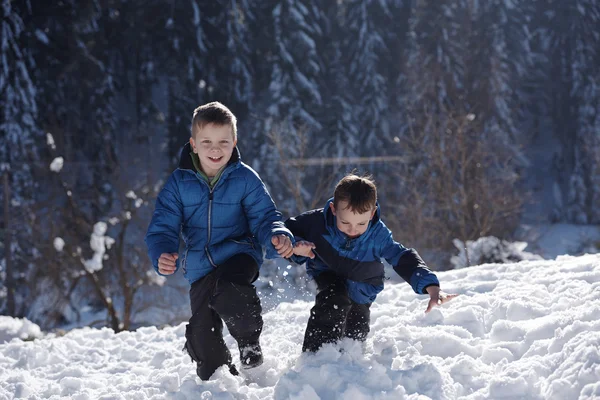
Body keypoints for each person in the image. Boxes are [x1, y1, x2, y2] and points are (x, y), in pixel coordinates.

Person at [145, 101, 294, 380]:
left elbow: (265, 216)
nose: (216, 149)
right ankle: (222, 378)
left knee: (229, 290)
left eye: (223, 141)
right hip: (200, 266)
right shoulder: (179, 183)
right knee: (204, 339)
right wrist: (163, 251)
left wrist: (277, 234)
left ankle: (249, 342)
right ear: (193, 144)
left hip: (239, 254)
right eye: (207, 141)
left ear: (234, 142)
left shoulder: (245, 178)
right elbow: (163, 225)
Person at [286, 173, 457, 353]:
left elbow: (402, 257)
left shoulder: (378, 235)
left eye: (361, 223)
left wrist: (430, 285)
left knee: (354, 334)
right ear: (334, 209)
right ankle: (315, 357)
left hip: (363, 285)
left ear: (372, 213)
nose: (353, 230)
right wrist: (295, 246)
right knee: (334, 300)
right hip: (327, 272)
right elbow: (283, 234)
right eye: (345, 222)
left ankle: (350, 365)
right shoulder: (315, 223)